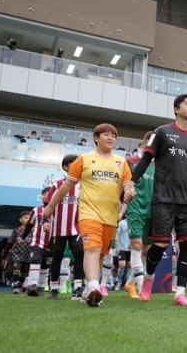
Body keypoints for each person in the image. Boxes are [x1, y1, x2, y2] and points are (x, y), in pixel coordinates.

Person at [124, 94, 187, 307]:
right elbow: (145, 159)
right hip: (163, 199)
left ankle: (179, 293)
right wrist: (132, 182)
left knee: (186, 245)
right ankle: (148, 279)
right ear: (176, 109)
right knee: (160, 245)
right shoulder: (162, 132)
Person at [44, 123, 132, 307]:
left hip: (110, 217)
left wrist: (130, 192)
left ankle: (88, 288)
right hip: (88, 214)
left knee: (100, 254)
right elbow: (66, 187)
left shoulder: (121, 162)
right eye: (106, 135)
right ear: (96, 138)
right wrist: (50, 207)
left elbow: (127, 185)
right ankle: (93, 286)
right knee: (91, 249)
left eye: (114, 136)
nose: (110, 138)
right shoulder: (83, 159)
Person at [44, 154, 85, 301]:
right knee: (57, 256)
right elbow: (48, 205)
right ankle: (54, 288)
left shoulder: (84, 184)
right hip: (59, 227)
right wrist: (46, 221)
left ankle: (78, 287)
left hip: (77, 226)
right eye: (74, 164)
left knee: (80, 252)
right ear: (66, 167)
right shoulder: (58, 184)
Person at [121, 130, 155, 299]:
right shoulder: (130, 162)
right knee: (136, 245)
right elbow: (125, 186)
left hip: (152, 210)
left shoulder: (160, 165)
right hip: (134, 207)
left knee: (147, 250)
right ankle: (142, 287)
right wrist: (122, 209)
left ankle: (130, 282)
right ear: (143, 144)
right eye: (148, 143)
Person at [19, 188, 52, 297]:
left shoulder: (58, 210)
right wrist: (23, 238)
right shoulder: (36, 210)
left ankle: (40, 286)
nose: (46, 196)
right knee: (35, 258)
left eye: (48, 194)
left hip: (51, 242)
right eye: (44, 195)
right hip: (37, 241)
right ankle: (32, 285)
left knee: (45, 264)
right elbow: (29, 225)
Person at [1, 211, 31, 294]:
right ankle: (16, 287)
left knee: (24, 272)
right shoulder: (16, 231)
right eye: (25, 218)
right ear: (20, 220)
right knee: (16, 269)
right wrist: (4, 256)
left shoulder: (33, 231)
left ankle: (20, 285)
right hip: (17, 254)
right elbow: (9, 243)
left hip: (28, 254)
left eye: (29, 218)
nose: (28, 220)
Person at [116, 216, 131, 290]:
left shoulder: (133, 222)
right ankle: (119, 282)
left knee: (130, 266)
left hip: (131, 249)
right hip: (122, 248)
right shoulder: (122, 223)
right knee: (122, 266)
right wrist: (117, 247)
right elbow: (118, 235)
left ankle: (128, 284)